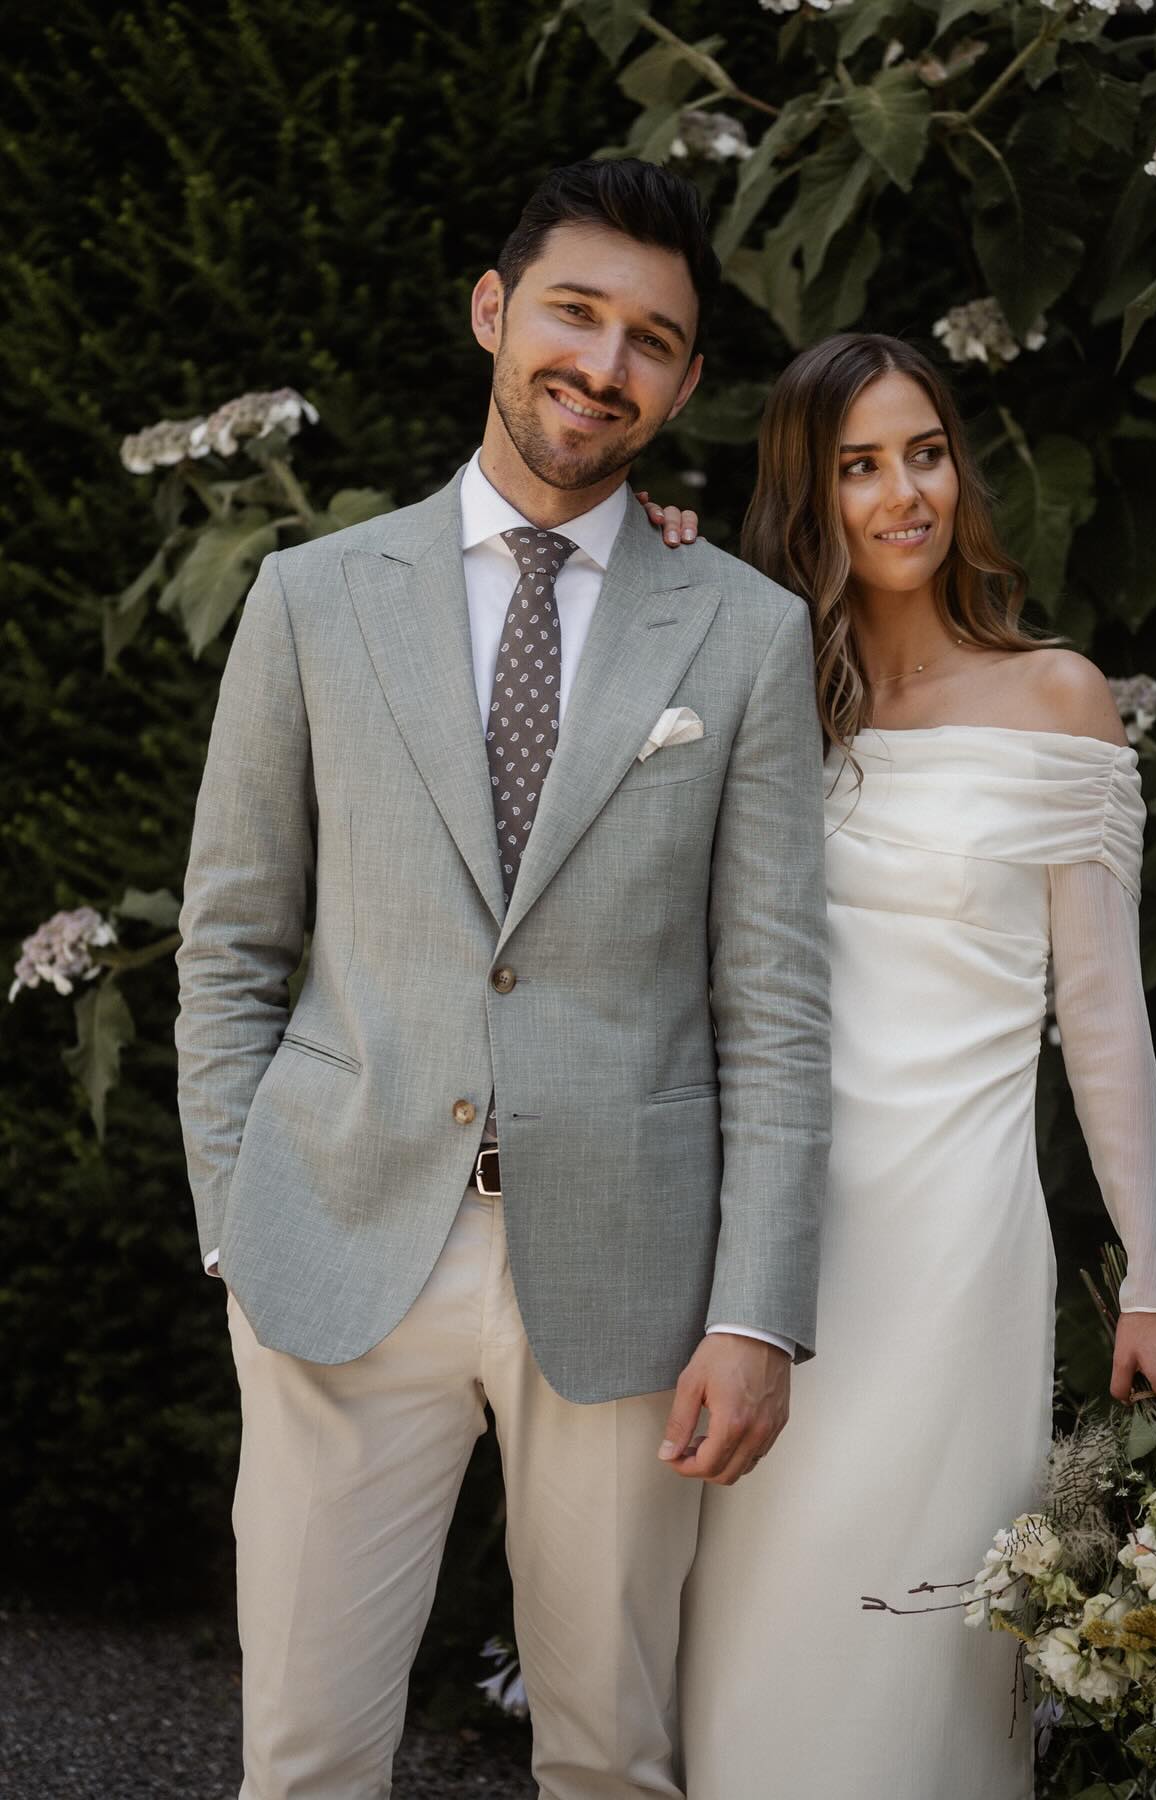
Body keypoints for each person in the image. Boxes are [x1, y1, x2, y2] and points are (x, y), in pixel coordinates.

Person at [173, 158, 831, 1800]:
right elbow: (234, 942)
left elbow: (774, 1001)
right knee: (308, 1754)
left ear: (684, 383)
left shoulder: (740, 635)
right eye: (575, 313)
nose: (603, 365)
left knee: (614, 1756)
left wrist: (758, 1308)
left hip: (626, 1280)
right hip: (335, 1244)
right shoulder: (313, 598)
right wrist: (237, 1223)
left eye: (652, 341)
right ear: (493, 311)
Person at [640, 332, 1156, 1799]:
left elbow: (1104, 1020)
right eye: (858, 466)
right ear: (807, 493)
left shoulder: (1059, 700)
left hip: (954, 1249)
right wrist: (651, 580)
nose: (905, 494)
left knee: (922, 1659)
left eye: (926, 453)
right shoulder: (766, 689)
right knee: (754, 1647)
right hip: (765, 1250)